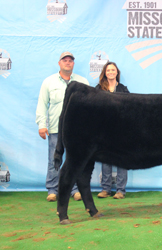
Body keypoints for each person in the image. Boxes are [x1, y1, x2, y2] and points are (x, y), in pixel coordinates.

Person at [36, 52, 89, 202]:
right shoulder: (49, 82)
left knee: (76, 160)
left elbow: (89, 106)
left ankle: (75, 189)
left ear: (73, 64)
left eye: (70, 61)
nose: (68, 62)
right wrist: (41, 124)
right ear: (59, 63)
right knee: (54, 159)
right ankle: (53, 190)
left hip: (77, 130)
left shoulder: (82, 81)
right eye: (64, 60)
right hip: (55, 128)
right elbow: (42, 104)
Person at [95, 62, 129, 199]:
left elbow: (129, 108)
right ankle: (106, 189)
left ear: (117, 72)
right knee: (106, 159)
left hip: (121, 129)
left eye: (113, 70)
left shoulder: (123, 89)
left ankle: (120, 190)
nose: (110, 72)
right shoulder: (98, 88)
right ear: (104, 72)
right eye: (108, 70)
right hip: (104, 130)